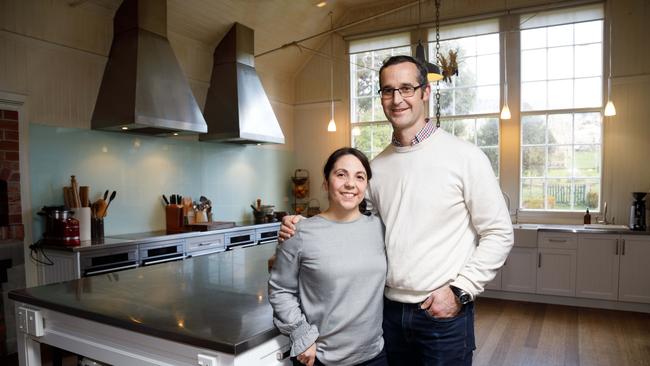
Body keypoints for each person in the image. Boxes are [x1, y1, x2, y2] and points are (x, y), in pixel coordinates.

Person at [280, 55, 513, 365]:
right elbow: (358, 226)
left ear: (425, 93)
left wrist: (460, 290)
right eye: (388, 90)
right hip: (386, 315)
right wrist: (303, 226)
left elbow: (499, 232)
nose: (397, 99)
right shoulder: (376, 167)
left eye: (406, 88)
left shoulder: (465, 157)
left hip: (442, 316)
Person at [268, 147, 388, 366]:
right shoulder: (300, 232)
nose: (350, 184)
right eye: (341, 174)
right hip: (320, 358)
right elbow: (280, 290)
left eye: (359, 177)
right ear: (326, 183)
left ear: (366, 186)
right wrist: (301, 335)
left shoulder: (380, 228)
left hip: (374, 356)